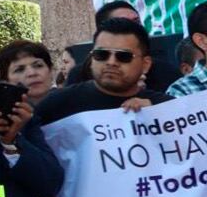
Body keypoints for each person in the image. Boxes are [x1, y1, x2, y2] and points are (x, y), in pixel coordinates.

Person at [35, 18, 167, 124]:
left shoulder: (168, 109)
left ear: (145, 64)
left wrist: (158, 117)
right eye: (101, 54)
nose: (111, 62)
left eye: (123, 56)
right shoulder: (56, 105)